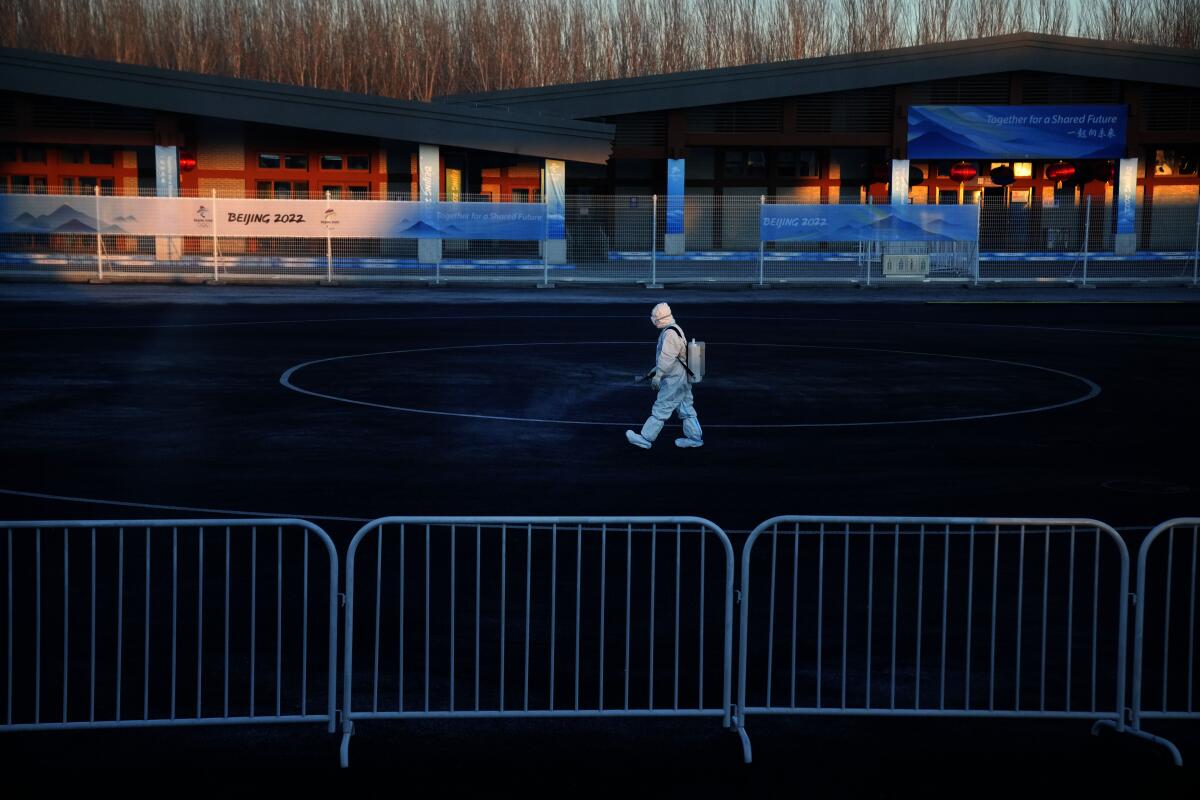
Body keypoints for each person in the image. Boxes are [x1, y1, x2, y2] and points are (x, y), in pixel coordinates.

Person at [626, 302, 703, 449]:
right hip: (682, 376)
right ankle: (695, 438)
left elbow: (667, 357)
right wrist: (654, 371)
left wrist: (658, 376)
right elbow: (673, 357)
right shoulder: (674, 329)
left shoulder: (669, 334)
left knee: (662, 405)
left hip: (675, 378)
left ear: (660, 319)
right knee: (685, 407)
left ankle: (645, 438)